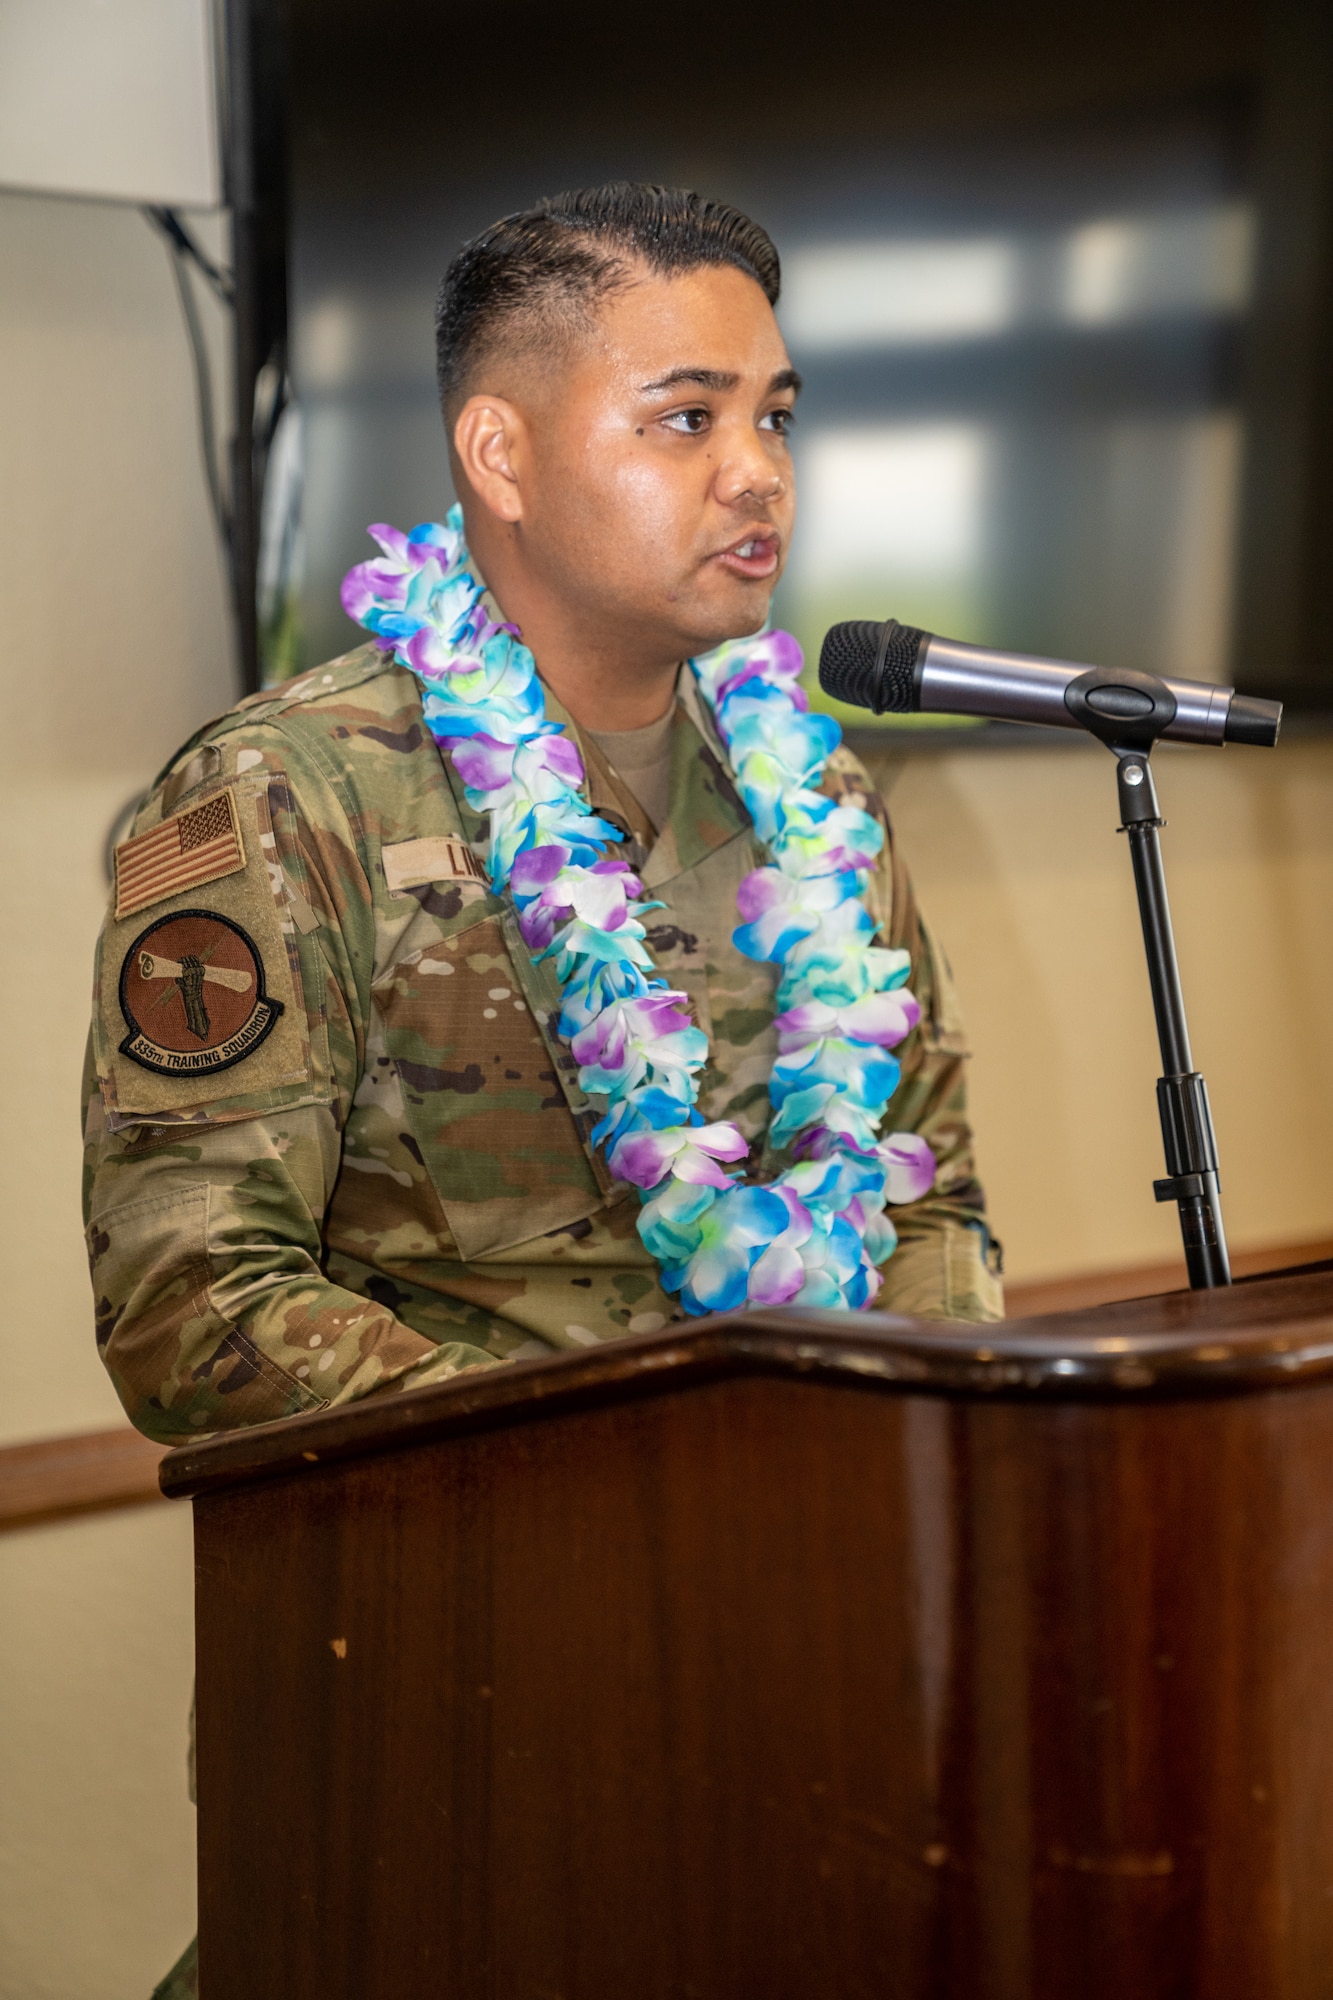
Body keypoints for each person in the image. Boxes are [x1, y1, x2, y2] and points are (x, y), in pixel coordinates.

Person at [86, 177, 1002, 2000]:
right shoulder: (289, 795)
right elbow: (194, 1303)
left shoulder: (810, 803)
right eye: (684, 417)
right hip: (437, 1670)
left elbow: (928, 1194)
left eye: (775, 416)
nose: (755, 473)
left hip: (793, 1648)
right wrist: (621, 1494)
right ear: (497, 450)